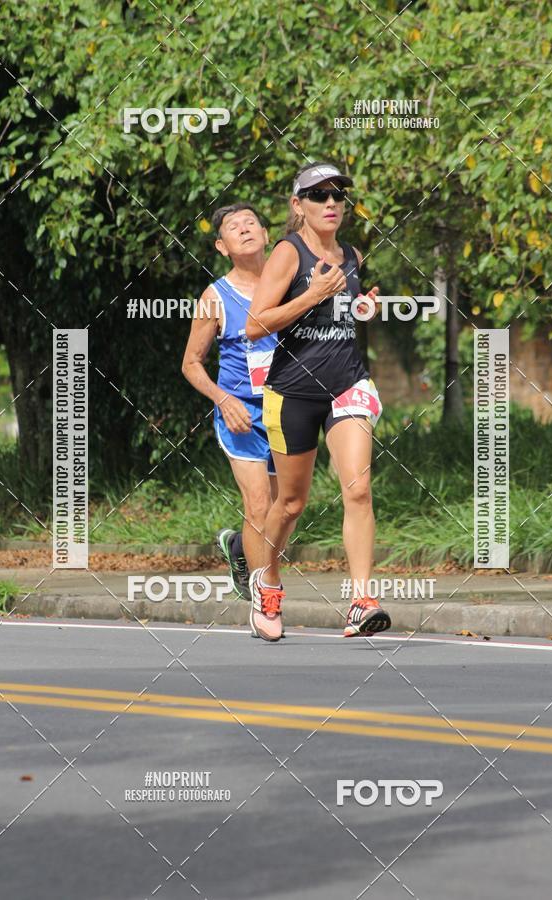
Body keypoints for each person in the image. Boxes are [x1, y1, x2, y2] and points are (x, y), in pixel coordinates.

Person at [245, 161, 392, 642]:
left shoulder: (351, 253)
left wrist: (359, 305)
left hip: (347, 383)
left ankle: (360, 601)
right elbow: (255, 324)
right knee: (290, 502)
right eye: (319, 195)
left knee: (358, 490)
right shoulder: (288, 253)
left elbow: (341, 314)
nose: (331, 203)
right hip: (293, 392)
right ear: (298, 206)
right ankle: (267, 583)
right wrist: (311, 295)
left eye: (338, 195)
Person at [182, 203, 278, 602]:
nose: (244, 229)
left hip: (288, 410)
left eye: (251, 223)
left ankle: (239, 547)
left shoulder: (290, 284)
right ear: (222, 246)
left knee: (282, 510)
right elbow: (191, 364)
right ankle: (265, 599)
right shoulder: (214, 296)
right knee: (259, 506)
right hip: (241, 415)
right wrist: (223, 400)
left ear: (267, 235)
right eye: (233, 227)